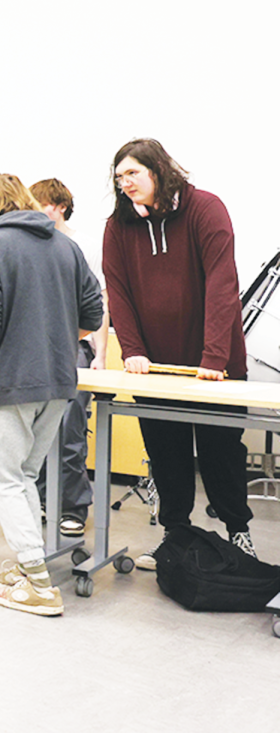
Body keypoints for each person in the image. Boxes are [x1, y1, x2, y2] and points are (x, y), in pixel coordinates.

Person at [102, 139, 255, 569]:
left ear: (157, 169)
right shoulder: (119, 226)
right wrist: (131, 349)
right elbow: (119, 292)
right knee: (166, 453)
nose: (124, 182)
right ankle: (175, 535)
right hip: (155, 368)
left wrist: (213, 358)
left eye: (132, 172)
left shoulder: (206, 209)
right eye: (119, 176)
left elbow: (223, 285)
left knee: (221, 453)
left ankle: (238, 534)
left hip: (215, 367)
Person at [0, 174, 103, 616]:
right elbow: (93, 314)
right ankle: (32, 566)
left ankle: (40, 583)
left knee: (4, 478)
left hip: (14, 379)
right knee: (26, 474)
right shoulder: (66, 247)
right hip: (61, 378)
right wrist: (57, 339)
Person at [29, 178, 109, 537]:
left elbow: (101, 304)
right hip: (37, 348)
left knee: (70, 429)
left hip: (75, 347)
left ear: (60, 206)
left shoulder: (85, 245)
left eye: (43, 203)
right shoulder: (30, 243)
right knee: (38, 431)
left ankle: (72, 506)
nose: (37, 209)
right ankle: (44, 499)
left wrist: (100, 355)